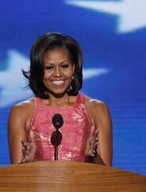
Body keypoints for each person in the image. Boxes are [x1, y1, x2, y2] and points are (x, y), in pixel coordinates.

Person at [8, 32, 112, 165]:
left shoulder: (97, 109)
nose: (57, 74)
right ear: (39, 71)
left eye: (64, 66)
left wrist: (92, 156)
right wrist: (27, 164)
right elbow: (15, 180)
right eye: (49, 67)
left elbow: (108, 178)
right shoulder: (21, 113)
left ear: (74, 68)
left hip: (84, 186)